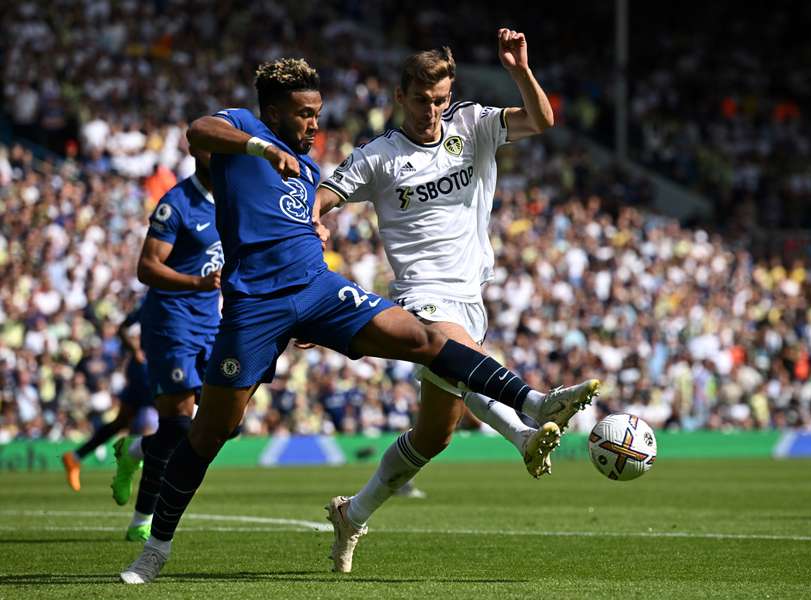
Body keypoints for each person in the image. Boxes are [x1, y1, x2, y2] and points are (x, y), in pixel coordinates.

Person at [119, 57, 598, 584]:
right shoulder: (243, 133)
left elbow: (307, 216)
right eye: (303, 114)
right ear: (273, 113)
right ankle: (156, 547)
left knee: (425, 343)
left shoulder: (305, 166)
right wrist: (261, 146)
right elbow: (197, 130)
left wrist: (315, 228)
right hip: (256, 305)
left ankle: (533, 403)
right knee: (211, 433)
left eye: (317, 113)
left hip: (320, 291)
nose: (314, 124)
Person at [315, 28, 576, 574]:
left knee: (434, 435)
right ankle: (530, 416)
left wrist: (519, 71)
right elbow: (327, 195)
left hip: (470, 293)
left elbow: (543, 121)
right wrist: (315, 217)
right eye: (421, 100)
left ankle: (353, 513)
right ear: (399, 97)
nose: (432, 112)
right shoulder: (380, 156)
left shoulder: (473, 125)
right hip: (421, 296)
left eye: (440, 100)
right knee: (455, 355)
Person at [110, 151, 223, 543]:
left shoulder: (234, 199)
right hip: (170, 324)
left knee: (226, 421)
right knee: (176, 426)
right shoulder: (176, 204)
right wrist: (196, 283)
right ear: (198, 153)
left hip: (211, 324)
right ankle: (142, 521)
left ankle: (134, 450)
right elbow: (147, 268)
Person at [61, 305, 153, 492]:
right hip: (149, 368)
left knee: (123, 421)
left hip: (158, 366)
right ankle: (138, 457)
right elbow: (123, 328)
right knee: (174, 419)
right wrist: (135, 350)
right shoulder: (157, 297)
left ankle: (76, 456)